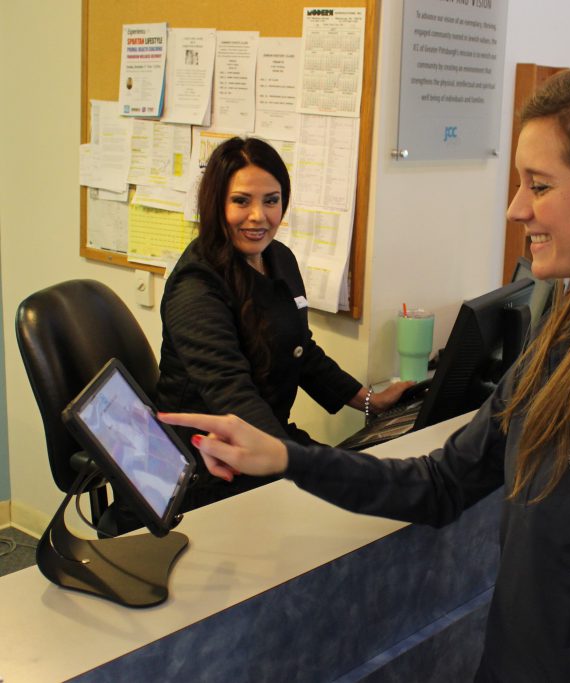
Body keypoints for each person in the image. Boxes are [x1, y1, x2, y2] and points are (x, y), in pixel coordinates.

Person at [162, 65, 570, 681]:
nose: (517, 207)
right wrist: (289, 459)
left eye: (539, 186)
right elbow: (441, 484)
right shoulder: (569, 334)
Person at [156, 137, 412, 508]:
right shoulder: (196, 289)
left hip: (268, 438)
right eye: (241, 201)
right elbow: (233, 397)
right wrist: (302, 465)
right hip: (209, 465)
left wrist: (371, 401)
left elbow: (300, 350)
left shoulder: (278, 259)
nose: (259, 216)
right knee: (339, 503)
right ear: (216, 204)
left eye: (271, 200)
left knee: (370, 482)